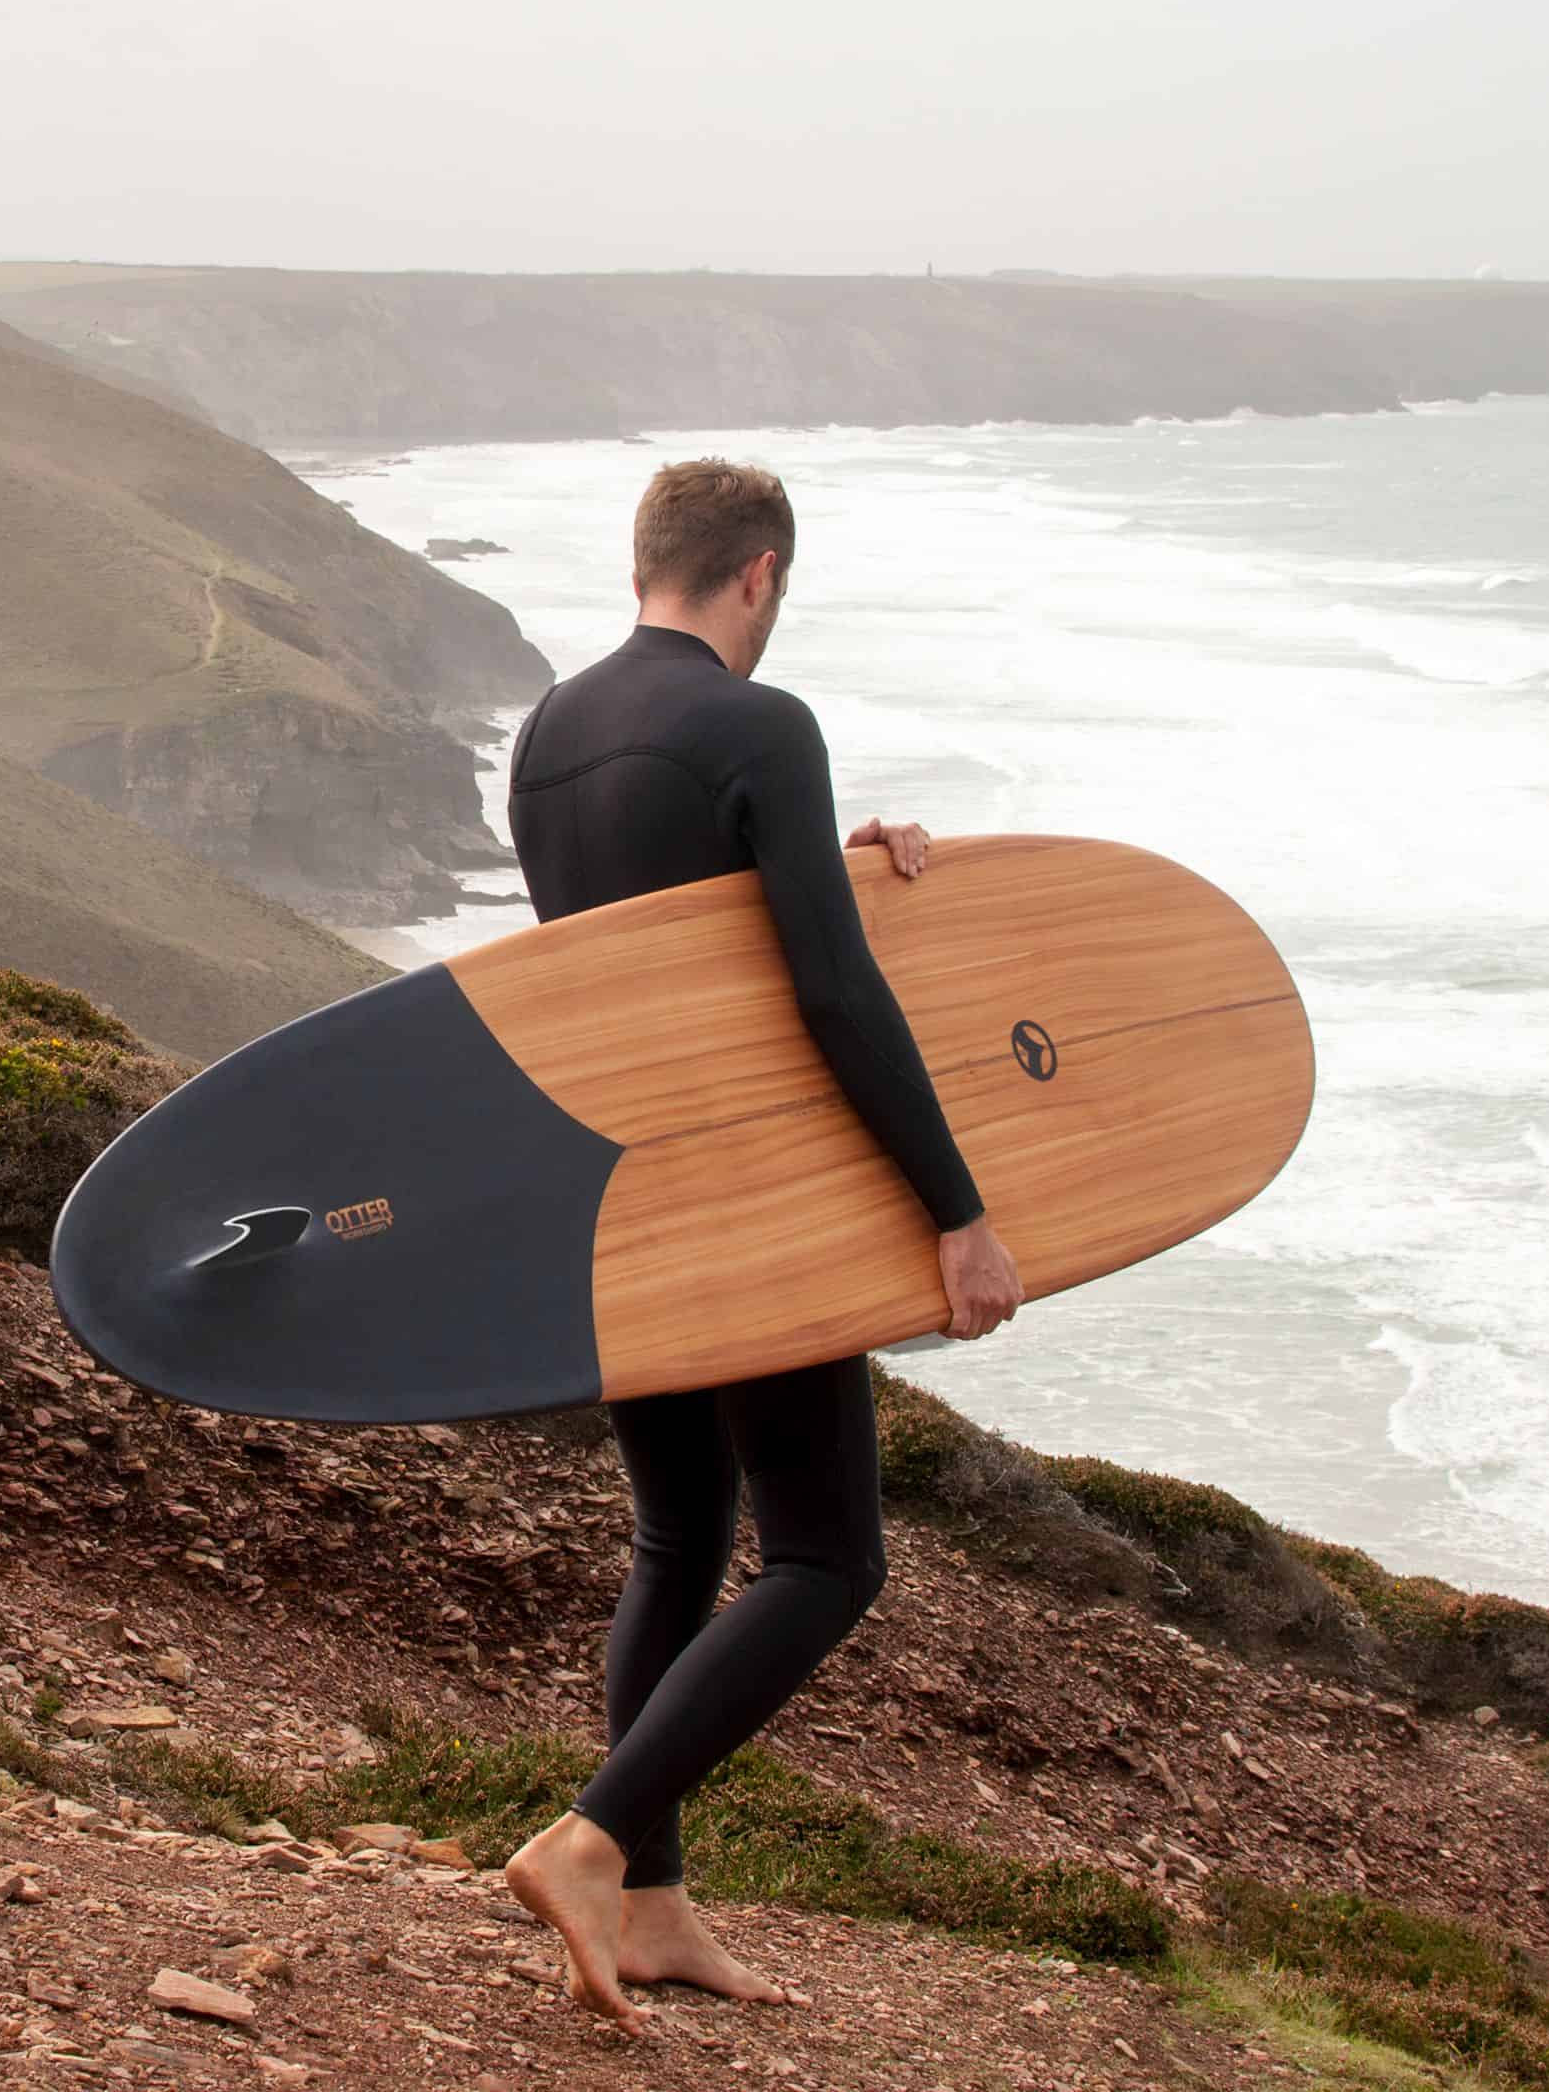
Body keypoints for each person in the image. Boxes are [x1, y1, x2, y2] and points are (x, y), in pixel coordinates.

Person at [495, 458, 1025, 2024]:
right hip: (751, 1199)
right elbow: (831, 997)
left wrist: (848, 873)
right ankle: (593, 1840)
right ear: (760, 576)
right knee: (824, 1554)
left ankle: (649, 1905)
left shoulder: (549, 733)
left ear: (646, 561)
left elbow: (659, 945)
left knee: (678, 1537)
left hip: (616, 1192)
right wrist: (957, 1214)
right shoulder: (760, 724)